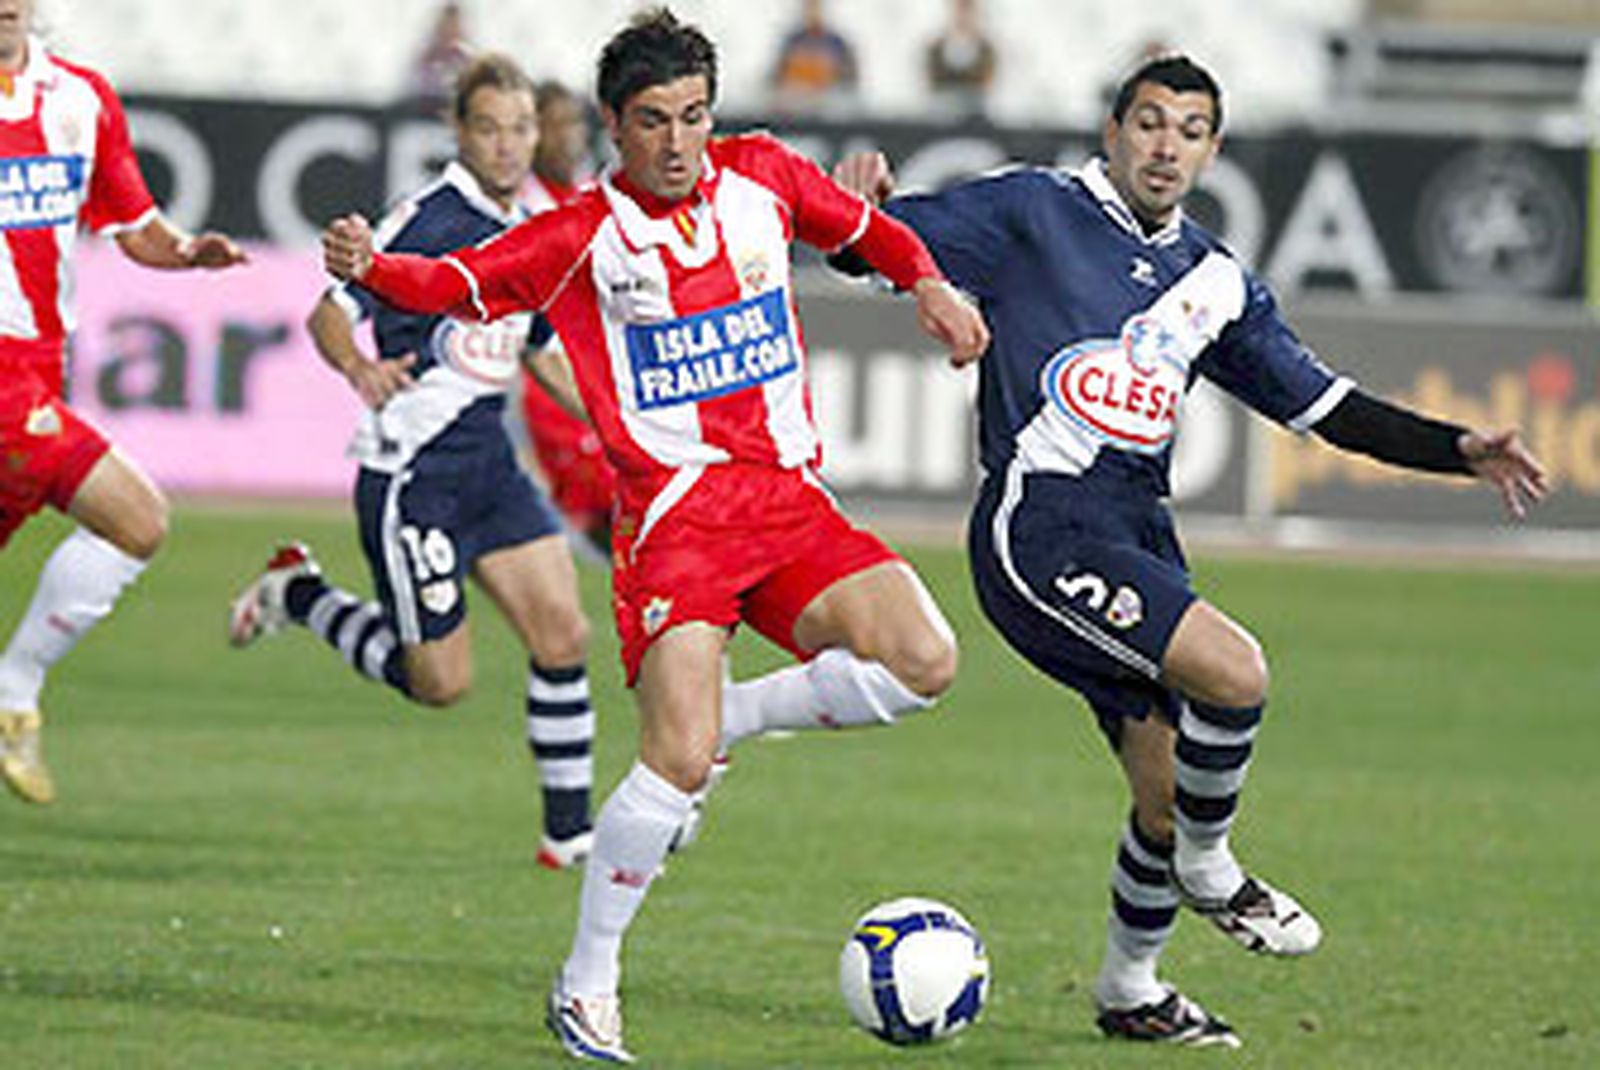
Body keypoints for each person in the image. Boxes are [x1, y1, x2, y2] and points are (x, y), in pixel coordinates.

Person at [831, 54, 1547, 1048]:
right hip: (1041, 526)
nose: (1165, 145)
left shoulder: (1214, 281)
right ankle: (1215, 871)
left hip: (1137, 534)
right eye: (1150, 123)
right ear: (1113, 130)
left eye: (1189, 130)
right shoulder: (1033, 209)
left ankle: (1130, 988)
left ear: (1210, 150)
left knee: (1165, 791)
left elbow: (1325, 405)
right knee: (1234, 671)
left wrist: (1455, 448)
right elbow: (888, 244)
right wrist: (854, 221)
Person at [321, 9, 989, 1061]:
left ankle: (737, 716)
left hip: (788, 500)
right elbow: (456, 283)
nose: (676, 142)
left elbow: (864, 232)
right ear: (611, 126)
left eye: (692, 116)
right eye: (652, 121)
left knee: (924, 660)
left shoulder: (763, 175)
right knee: (670, 758)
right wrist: (369, 267)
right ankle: (587, 983)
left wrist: (932, 284)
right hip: (678, 526)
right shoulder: (579, 231)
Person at [229, 54, 599, 871]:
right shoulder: (423, 218)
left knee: (564, 633)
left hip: (492, 469)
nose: (507, 145)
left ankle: (570, 835)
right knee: (440, 682)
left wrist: (618, 425)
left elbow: (539, 351)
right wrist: (356, 366)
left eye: (520, 129)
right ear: (459, 133)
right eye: (490, 128)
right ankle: (302, 594)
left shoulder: (537, 227)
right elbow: (329, 311)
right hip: (414, 480)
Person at [0, 2, 246, 804]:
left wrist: (187, 253)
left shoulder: (80, 99)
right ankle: (12, 694)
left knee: (135, 523)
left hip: (43, 366)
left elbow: (133, 224)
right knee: (137, 516)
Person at [518, 80, 617, 556]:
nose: (566, 137)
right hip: (544, 383)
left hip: (593, 369)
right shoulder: (520, 208)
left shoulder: (592, 198)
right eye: (553, 125)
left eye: (573, 124)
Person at [768, 0, 858, 115]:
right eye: (809, 8)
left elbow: (849, 78)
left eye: (815, 8)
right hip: (796, 101)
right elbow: (777, 75)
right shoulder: (794, 41)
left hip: (827, 102)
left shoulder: (836, 42)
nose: (812, 13)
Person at [924, 0, 998, 120]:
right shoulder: (936, 49)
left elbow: (986, 85)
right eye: (960, 11)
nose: (964, 16)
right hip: (941, 117)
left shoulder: (987, 50)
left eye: (968, 11)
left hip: (976, 118)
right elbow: (933, 82)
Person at [405, 1, 473, 114]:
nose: (449, 30)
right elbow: (412, 85)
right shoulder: (427, 55)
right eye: (446, 25)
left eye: (453, 26)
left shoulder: (467, 58)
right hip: (425, 108)